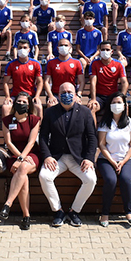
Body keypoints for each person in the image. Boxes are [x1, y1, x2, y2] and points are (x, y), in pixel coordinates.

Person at [38, 82, 98, 227]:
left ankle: (74, 211)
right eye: (63, 92)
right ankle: (58, 211)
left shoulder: (85, 112)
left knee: (91, 179)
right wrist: (47, 156)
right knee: (44, 176)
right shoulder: (50, 112)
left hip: (78, 158)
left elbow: (92, 137)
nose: (66, 95)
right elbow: (43, 136)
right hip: (57, 157)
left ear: (75, 95)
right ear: (58, 95)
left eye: (70, 92)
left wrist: (89, 158)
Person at [0, 92, 40, 230]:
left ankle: (7, 204)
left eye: (24, 102)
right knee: (23, 176)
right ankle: (26, 215)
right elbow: (8, 143)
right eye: (19, 101)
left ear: (29, 105)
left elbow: (31, 142)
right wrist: (19, 157)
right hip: (13, 156)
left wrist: (22, 158)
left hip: (31, 154)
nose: (21, 104)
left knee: (22, 168)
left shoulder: (34, 119)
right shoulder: (7, 120)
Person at [96, 92, 131, 227]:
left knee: (125, 178)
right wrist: (113, 161)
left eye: (119, 102)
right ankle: (105, 213)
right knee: (111, 180)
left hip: (128, 159)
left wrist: (123, 161)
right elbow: (102, 144)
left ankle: (128, 212)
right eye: (113, 103)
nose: (116, 105)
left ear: (125, 105)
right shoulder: (105, 123)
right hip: (107, 159)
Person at [3, 40, 43, 118]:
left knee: (38, 107)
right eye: (20, 47)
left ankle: (38, 126)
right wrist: (7, 97)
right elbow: (5, 83)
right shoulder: (11, 64)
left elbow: (40, 82)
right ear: (17, 49)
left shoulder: (36, 64)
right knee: (5, 107)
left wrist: (37, 96)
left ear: (29, 50)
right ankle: (7, 126)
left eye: (25, 47)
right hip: (15, 95)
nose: (22, 49)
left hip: (31, 95)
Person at [88, 41, 128, 115]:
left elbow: (124, 82)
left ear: (112, 51)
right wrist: (93, 99)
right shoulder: (94, 63)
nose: (105, 51)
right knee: (91, 107)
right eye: (103, 50)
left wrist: (122, 97)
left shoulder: (118, 64)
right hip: (99, 96)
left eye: (107, 49)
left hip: (113, 96)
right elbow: (93, 82)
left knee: (124, 107)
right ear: (99, 51)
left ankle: (124, 123)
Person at [44, 38, 84, 107]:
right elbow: (46, 82)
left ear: (70, 48)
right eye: (61, 45)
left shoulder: (77, 62)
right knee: (51, 105)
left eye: (66, 45)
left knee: (78, 105)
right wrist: (50, 96)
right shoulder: (51, 63)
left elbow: (82, 81)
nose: (63, 47)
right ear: (57, 48)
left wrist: (78, 95)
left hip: (71, 94)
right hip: (56, 94)